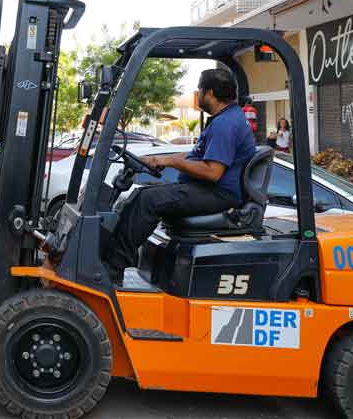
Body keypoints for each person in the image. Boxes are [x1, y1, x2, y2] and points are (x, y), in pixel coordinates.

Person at [105, 68, 257, 285]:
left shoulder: (226, 124)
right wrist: (160, 160)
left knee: (148, 200)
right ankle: (117, 262)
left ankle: (112, 269)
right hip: (211, 191)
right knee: (143, 192)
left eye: (200, 90)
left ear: (210, 93)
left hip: (218, 194)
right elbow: (196, 155)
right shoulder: (226, 118)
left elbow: (213, 172)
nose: (198, 94)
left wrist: (172, 162)